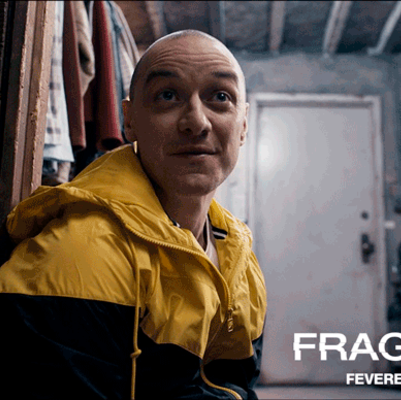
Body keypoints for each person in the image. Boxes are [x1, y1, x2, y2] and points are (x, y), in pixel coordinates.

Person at [0, 30, 267, 399]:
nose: (196, 121)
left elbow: (235, 385)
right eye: (167, 96)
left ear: (243, 124)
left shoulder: (237, 251)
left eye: (220, 97)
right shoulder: (80, 251)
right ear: (129, 121)